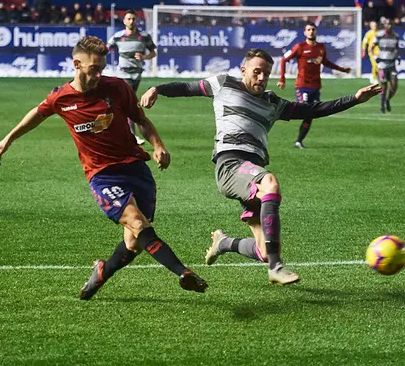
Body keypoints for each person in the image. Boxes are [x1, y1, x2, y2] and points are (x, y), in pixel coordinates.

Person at [0, 36, 207, 300]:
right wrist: (8, 138)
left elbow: (141, 120)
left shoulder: (117, 88)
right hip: (102, 175)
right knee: (138, 223)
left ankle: (103, 271)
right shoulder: (62, 98)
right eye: (93, 69)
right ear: (76, 65)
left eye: (102, 68)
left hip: (135, 168)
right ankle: (183, 272)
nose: (98, 75)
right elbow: (37, 113)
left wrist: (158, 145)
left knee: (133, 243)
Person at [140, 49, 381, 286]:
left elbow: (313, 109)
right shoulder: (223, 83)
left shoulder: (273, 102)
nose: (262, 78)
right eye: (257, 72)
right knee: (270, 184)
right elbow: (186, 88)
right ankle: (276, 268)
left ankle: (224, 243)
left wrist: (355, 99)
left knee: (264, 249)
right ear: (243, 69)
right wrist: (157, 89)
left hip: (250, 171)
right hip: (230, 165)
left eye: (266, 74)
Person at [277, 22, 351, 148]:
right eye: (309, 29)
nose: (311, 31)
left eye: (313, 29)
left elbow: (326, 62)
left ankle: (298, 141)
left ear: (316, 32)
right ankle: (281, 113)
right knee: (305, 110)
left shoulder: (321, 48)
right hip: (302, 86)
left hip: (315, 87)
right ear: (305, 32)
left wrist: (342, 70)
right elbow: (284, 59)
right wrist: (282, 78)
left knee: (311, 114)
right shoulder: (299, 47)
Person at [106, 9, 157, 145]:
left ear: (136, 21)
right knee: (130, 103)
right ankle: (132, 136)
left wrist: (144, 57)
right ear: (124, 21)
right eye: (128, 19)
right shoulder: (118, 37)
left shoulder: (144, 36)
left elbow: (153, 53)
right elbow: (105, 49)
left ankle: (113, 130)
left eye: (133, 19)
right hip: (123, 75)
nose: (131, 21)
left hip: (137, 74)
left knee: (125, 104)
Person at [369, 18, 399, 113]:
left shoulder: (396, 36)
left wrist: (398, 56)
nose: (389, 26)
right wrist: (375, 57)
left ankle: (388, 100)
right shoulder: (379, 35)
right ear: (384, 25)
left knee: (394, 86)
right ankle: (382, 105)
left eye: (391, 24)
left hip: (392, 64)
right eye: (387, 24)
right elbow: (370, 48)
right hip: (382, 65)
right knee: (384, 86)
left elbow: (396, 49)